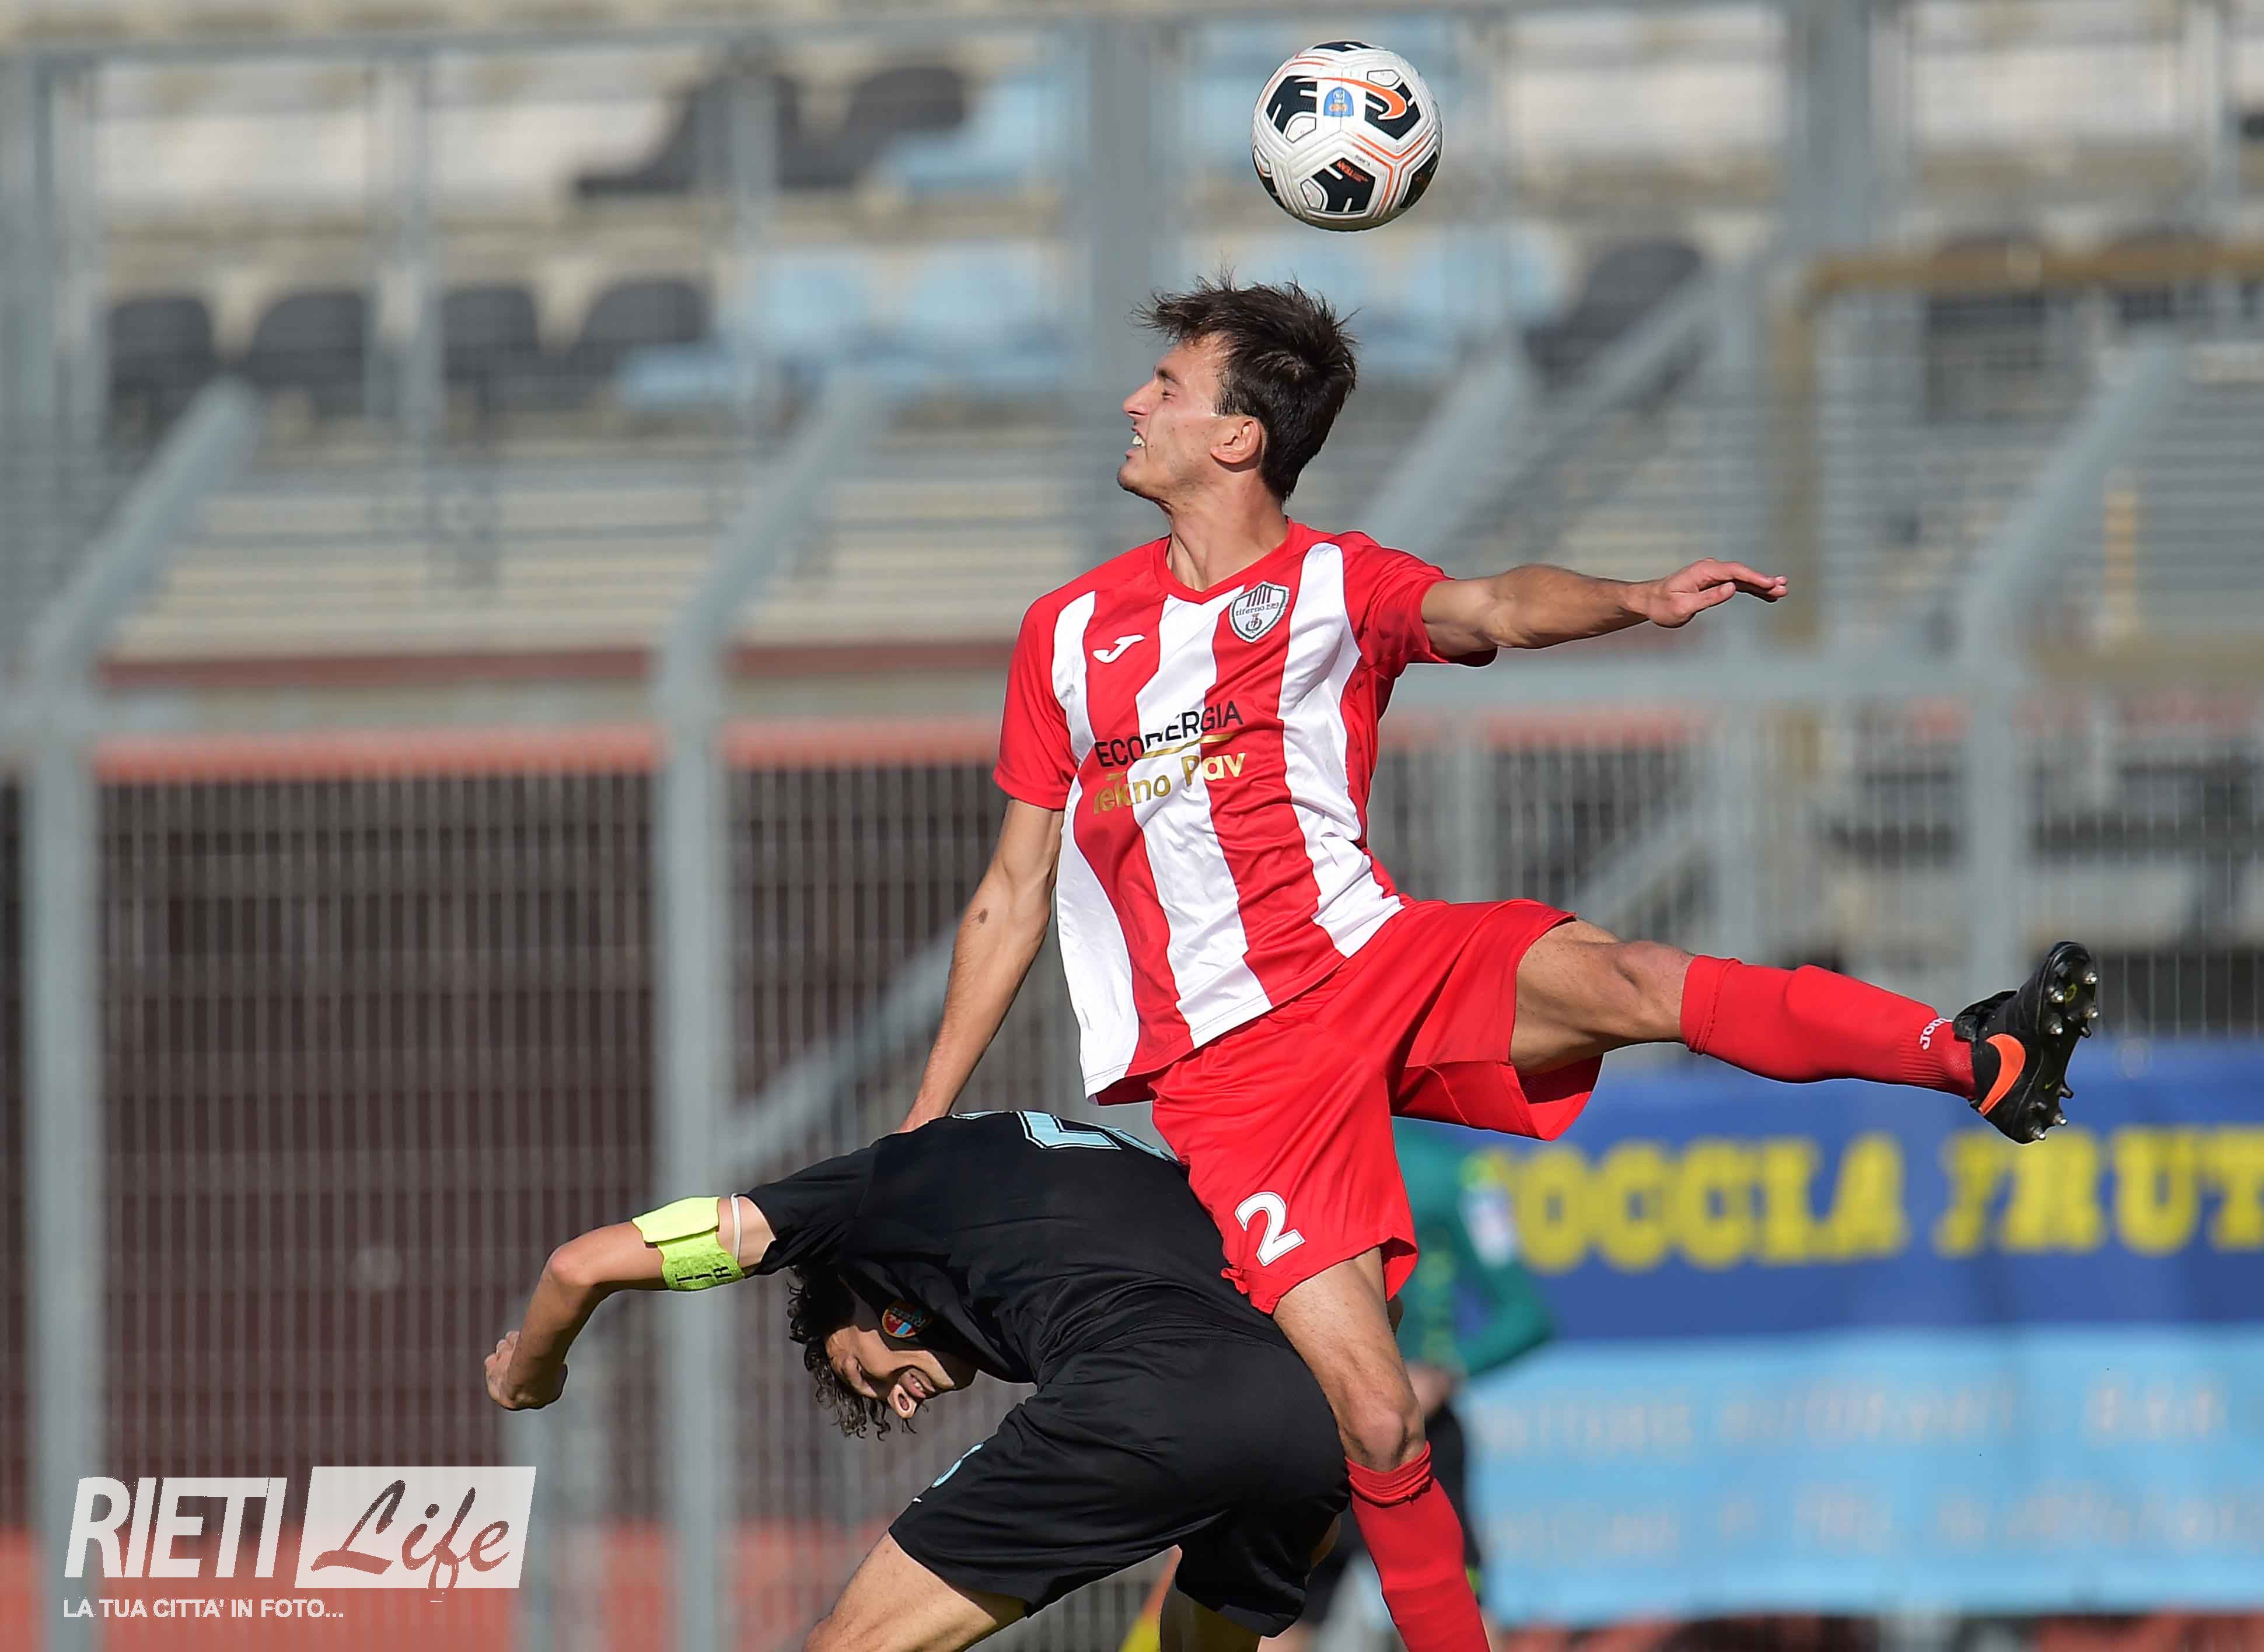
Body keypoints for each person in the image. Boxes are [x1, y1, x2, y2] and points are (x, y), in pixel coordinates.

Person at [897, 275, 2099, 1652]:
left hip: (1380, 957)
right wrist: (923, 1129)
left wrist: (1633, 598)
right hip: (1236, 1066)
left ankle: (1976, 1059)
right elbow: (1012, 893)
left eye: (1166, 385)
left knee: (1636, 980)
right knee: (1376, 1418)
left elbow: (1496, 608)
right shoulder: (1068, 632)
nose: (1135, 401)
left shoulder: (1337, 584)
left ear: (1237, 436)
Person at [484, 1110, 1349, 1652]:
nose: (900, 1399)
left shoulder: (864, 1202)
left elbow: (579, 1267)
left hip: (1146, 1393)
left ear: (871, 1300)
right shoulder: (1082, 1168)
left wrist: (530, 1379)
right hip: (1308, 1416)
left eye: (867, 1374)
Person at [1272, 1122, 1552, 1651]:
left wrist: (1441, 1372)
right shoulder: (1287, 1155)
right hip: (1317, 1425)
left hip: (1409, 1433)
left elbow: (1527, 1316)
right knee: (1276, 1615)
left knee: (1457, 1611)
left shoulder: (1452, 1174)